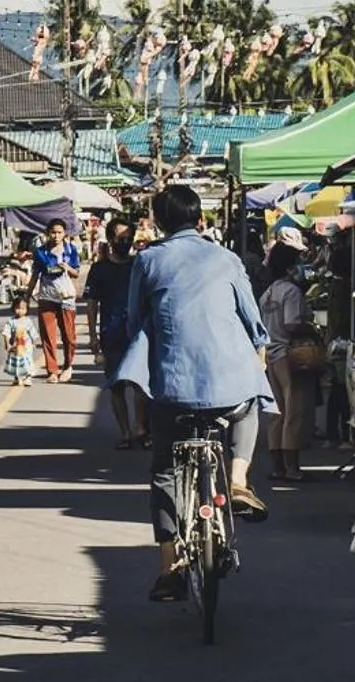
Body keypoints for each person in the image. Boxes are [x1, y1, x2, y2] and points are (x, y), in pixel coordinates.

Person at [116, 184, 274, 602]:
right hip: (231, 384)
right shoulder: (225, 257)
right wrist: (257, 341)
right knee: (249, 405)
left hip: (173, 387)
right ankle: (239, 480)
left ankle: (169, 568)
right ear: (200, 220)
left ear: (159, 223)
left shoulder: (148, 260)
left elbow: (134, 320)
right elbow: (252, 319)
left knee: (165, 471)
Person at [258, 237, 319, 481]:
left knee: (276, 412)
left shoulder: (268, 293)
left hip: (271, 353)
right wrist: (312, 330)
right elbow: (292, 323)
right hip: (289, 355)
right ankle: (292, 468)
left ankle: (277, 466)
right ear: (290, 265)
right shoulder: (292, 291)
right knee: (293, 411)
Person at [86, 217, 149, 447]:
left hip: (139, 332)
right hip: (111, 332)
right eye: (120, 238)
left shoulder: (139, 264)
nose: (125, 242)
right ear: (111, 239)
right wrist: (93, 336)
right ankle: (125, 433)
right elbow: (92, 303)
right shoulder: (99, 269)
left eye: (128, 238)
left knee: (141, 383)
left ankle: (141, 428)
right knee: (116, 385)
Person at [33, 218, 83, 383]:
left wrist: (67, 268)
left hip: (66, 297)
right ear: (48, 233)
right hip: (47, 296)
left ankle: (68, 366)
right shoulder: (40, 252)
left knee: (69, 336)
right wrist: (26, 296)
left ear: (65, 234)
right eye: (53, 232)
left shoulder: (70, 250)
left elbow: (76, 273)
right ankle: (52, 371)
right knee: (48, 336)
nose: (56, 235)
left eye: (59, 232)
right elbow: (35, 274)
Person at [3, 294, 39, 387]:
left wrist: (34, 343)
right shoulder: (11, 321)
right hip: (15, 347)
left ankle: (28, 377)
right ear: (13, 308)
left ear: (27, 309)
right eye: (17, 308)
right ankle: (16, 378)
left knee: (27, 361)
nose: (20, 311)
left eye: (23, 308)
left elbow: (33, 332)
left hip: (26, 346)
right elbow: (6, 333)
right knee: (16, 362)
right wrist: (7, 343)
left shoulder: (28, 321)